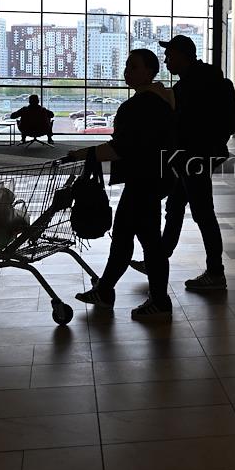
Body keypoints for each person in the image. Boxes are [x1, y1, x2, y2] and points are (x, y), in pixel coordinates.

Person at [70, 49, 177, 319]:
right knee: (126, 237)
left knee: (146, 242)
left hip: (142, 180)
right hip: (154, 178)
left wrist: (83, 155)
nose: (127, 71)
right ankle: (106, 290)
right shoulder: (163, 101)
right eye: (127, 66)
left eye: (133, 67)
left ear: (150, 71)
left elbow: (121, 148)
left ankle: (159, 301)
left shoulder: (138, 106)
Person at [132, 34, 233, 291]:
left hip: (193, 157)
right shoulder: (209, 80)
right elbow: (228, 123)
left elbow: (181, 122)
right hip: (197, 156)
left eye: (169, 55)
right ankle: (157, 259)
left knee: (203, 214)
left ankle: (215, 272)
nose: (166, 60)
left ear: (181, 55)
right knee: (176, 206)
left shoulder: (191, 86)